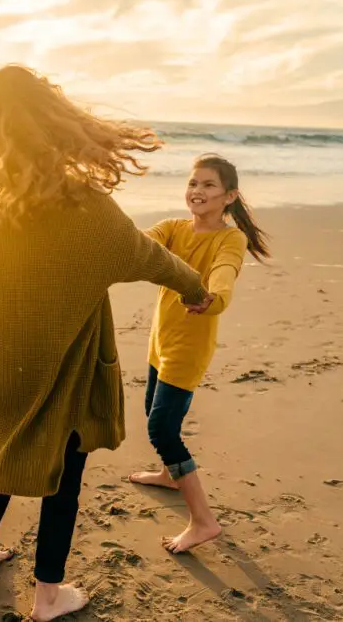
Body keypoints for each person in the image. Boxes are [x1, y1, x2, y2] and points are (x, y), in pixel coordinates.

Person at [0, 64, 212, 622]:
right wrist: (195, 288)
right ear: (55, 124)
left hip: (0, 357)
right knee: (62, 479)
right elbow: (146, 256)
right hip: (63, 363)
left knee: (2, 453)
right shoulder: (84, 208)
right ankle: (48, 596)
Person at [129, 153, 271, 554]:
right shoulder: (173, 228)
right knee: (152, 411)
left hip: (188, 349)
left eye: (209, 185)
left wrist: (213, 298)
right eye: (193, 183)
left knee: (162, 430)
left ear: (229, 196)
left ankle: (204, 521)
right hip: (160, 342)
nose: (197, 191)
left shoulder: (230, 239)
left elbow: (225, 272)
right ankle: (169, 475)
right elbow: (141, 242)